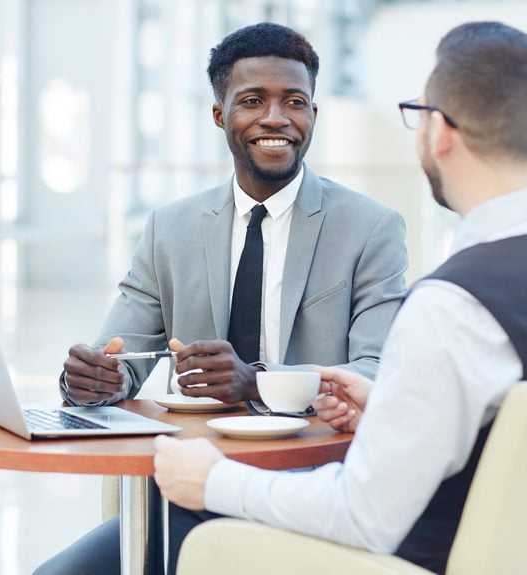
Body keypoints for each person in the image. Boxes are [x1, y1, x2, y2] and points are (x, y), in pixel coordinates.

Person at [154, 20, 527, 575]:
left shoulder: (454, 304)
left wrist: (213, 477)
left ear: (439, 131)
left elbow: (364, 514)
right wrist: (389, 411)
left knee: (176, 524)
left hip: (412, 559)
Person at [37, 22, 408, 574]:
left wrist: (257, 380)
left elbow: (377, 372)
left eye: (295, 102)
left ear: (313, 114)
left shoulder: (371, 228)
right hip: (190, 489)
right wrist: (94, 379)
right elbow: (121, 355)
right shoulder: (171, 228)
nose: (276, 118)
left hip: (313, 491)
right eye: (253, 100)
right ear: (219, 114)